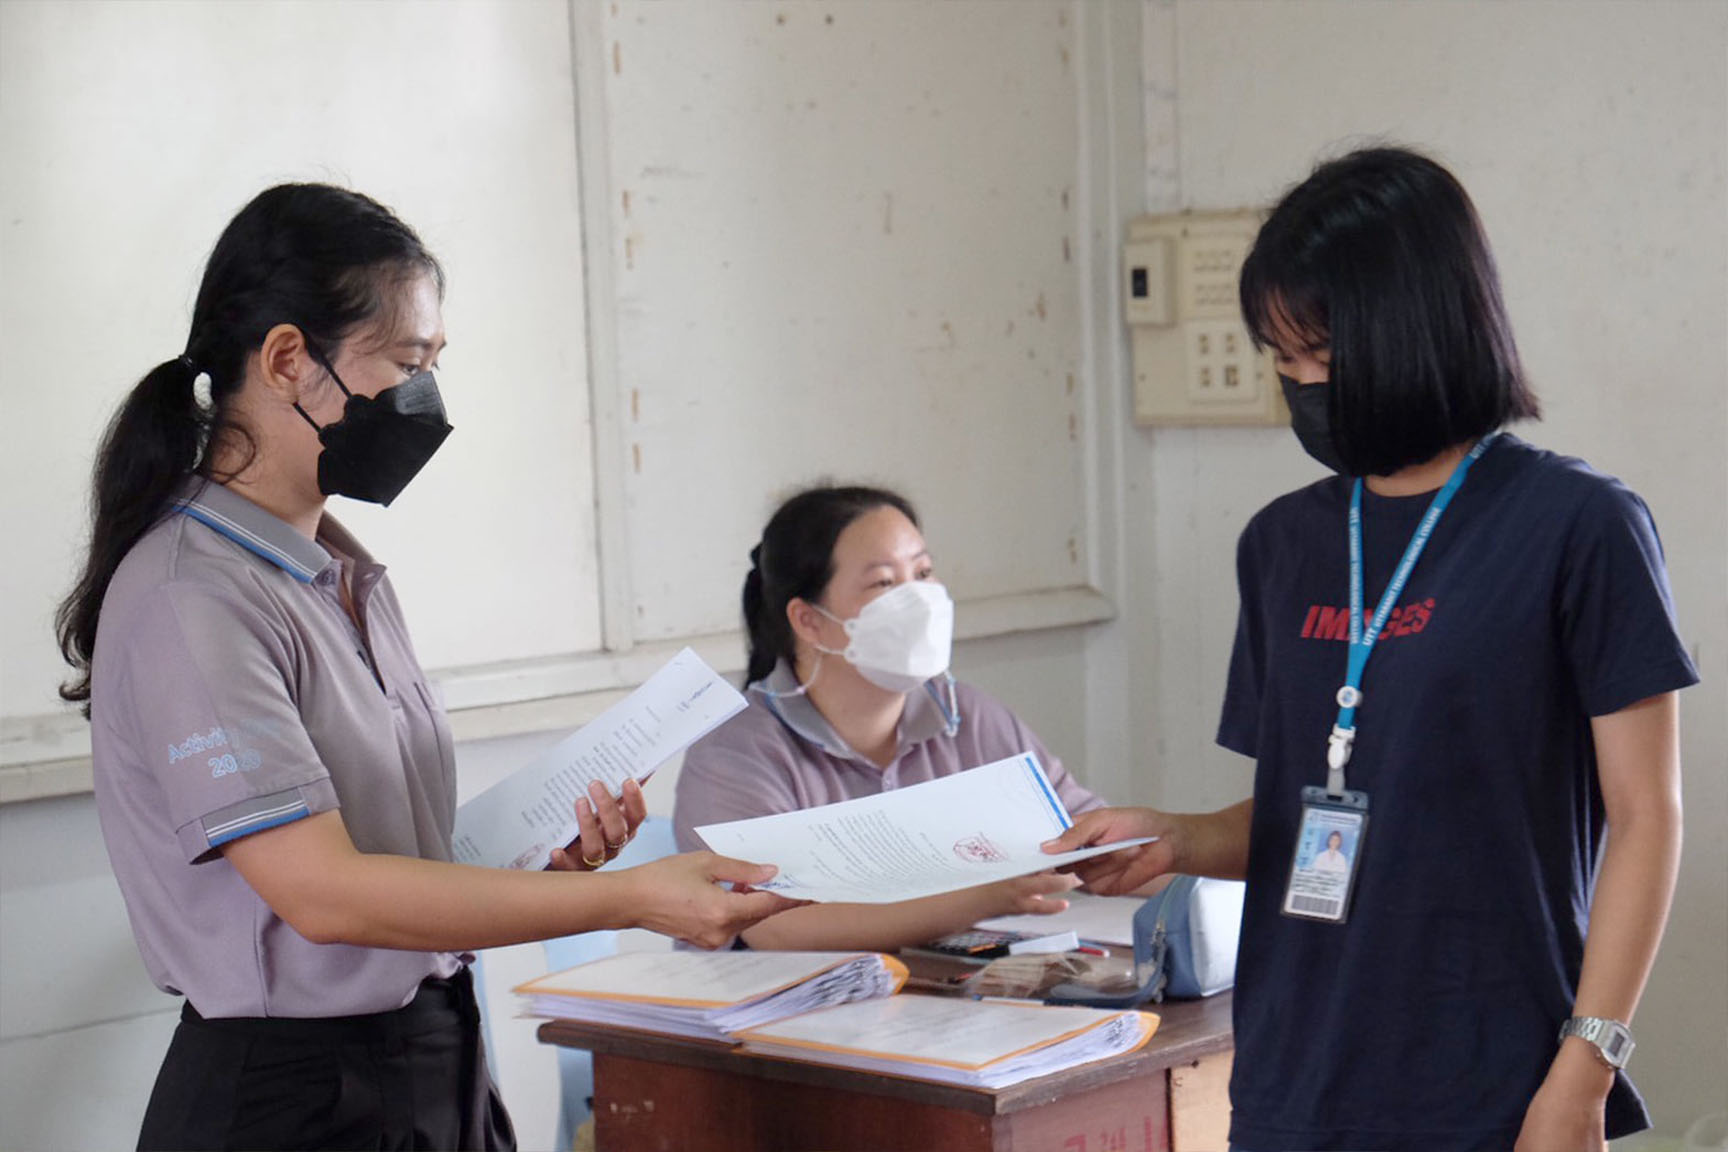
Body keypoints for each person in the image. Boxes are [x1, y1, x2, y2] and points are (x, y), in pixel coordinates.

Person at [55, 184, 797, 1151]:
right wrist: (627, 897)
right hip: (294, 1098)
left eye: (433, 366)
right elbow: (323, 894)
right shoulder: (189, 594)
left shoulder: (342, 570)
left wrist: (548, 868)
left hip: (431, 1056)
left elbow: (391, 857)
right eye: (407, 364)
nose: (423, 401)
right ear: (288, 360)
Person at [1046, 147, 1695, 1151]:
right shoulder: (1284, 544)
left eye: (1326, 359)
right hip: (1295, 1079)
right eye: (1283, 362)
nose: (1303, 389)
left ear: (1421, 329)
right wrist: (1171, 839)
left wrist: (1585, 1069)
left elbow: (1647, 816)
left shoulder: (1578, 526)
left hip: (1496, 1081)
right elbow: (1302, 814)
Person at [672, 484, 1096, 951]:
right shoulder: (737, 748)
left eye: (923, 572)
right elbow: (774, 924)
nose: (919, 600)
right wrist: (984, 898)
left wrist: (1173, 853)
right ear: (809, 622)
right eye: (884, 583)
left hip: (946, 1000)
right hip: (780, 1012)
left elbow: (1087, 837)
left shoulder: (967, 716)